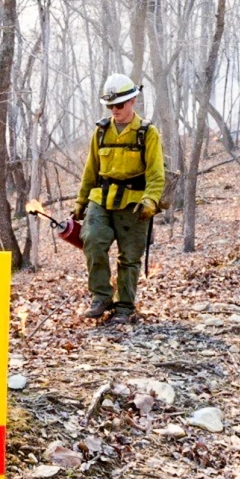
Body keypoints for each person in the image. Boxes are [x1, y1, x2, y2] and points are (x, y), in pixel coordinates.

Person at [73, 73, 165, 324]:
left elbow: (156, 173)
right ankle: (101, 296)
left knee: (130, 255)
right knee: (92, 240)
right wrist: (81, 201)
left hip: (134, 202)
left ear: (133, 101)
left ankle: (125, 306)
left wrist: (151, 201)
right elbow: (90, 169)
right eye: (110, 105)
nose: (115, 110)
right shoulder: (101, 132)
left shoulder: (147, 133)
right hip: (101, 198)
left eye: (119, 105)